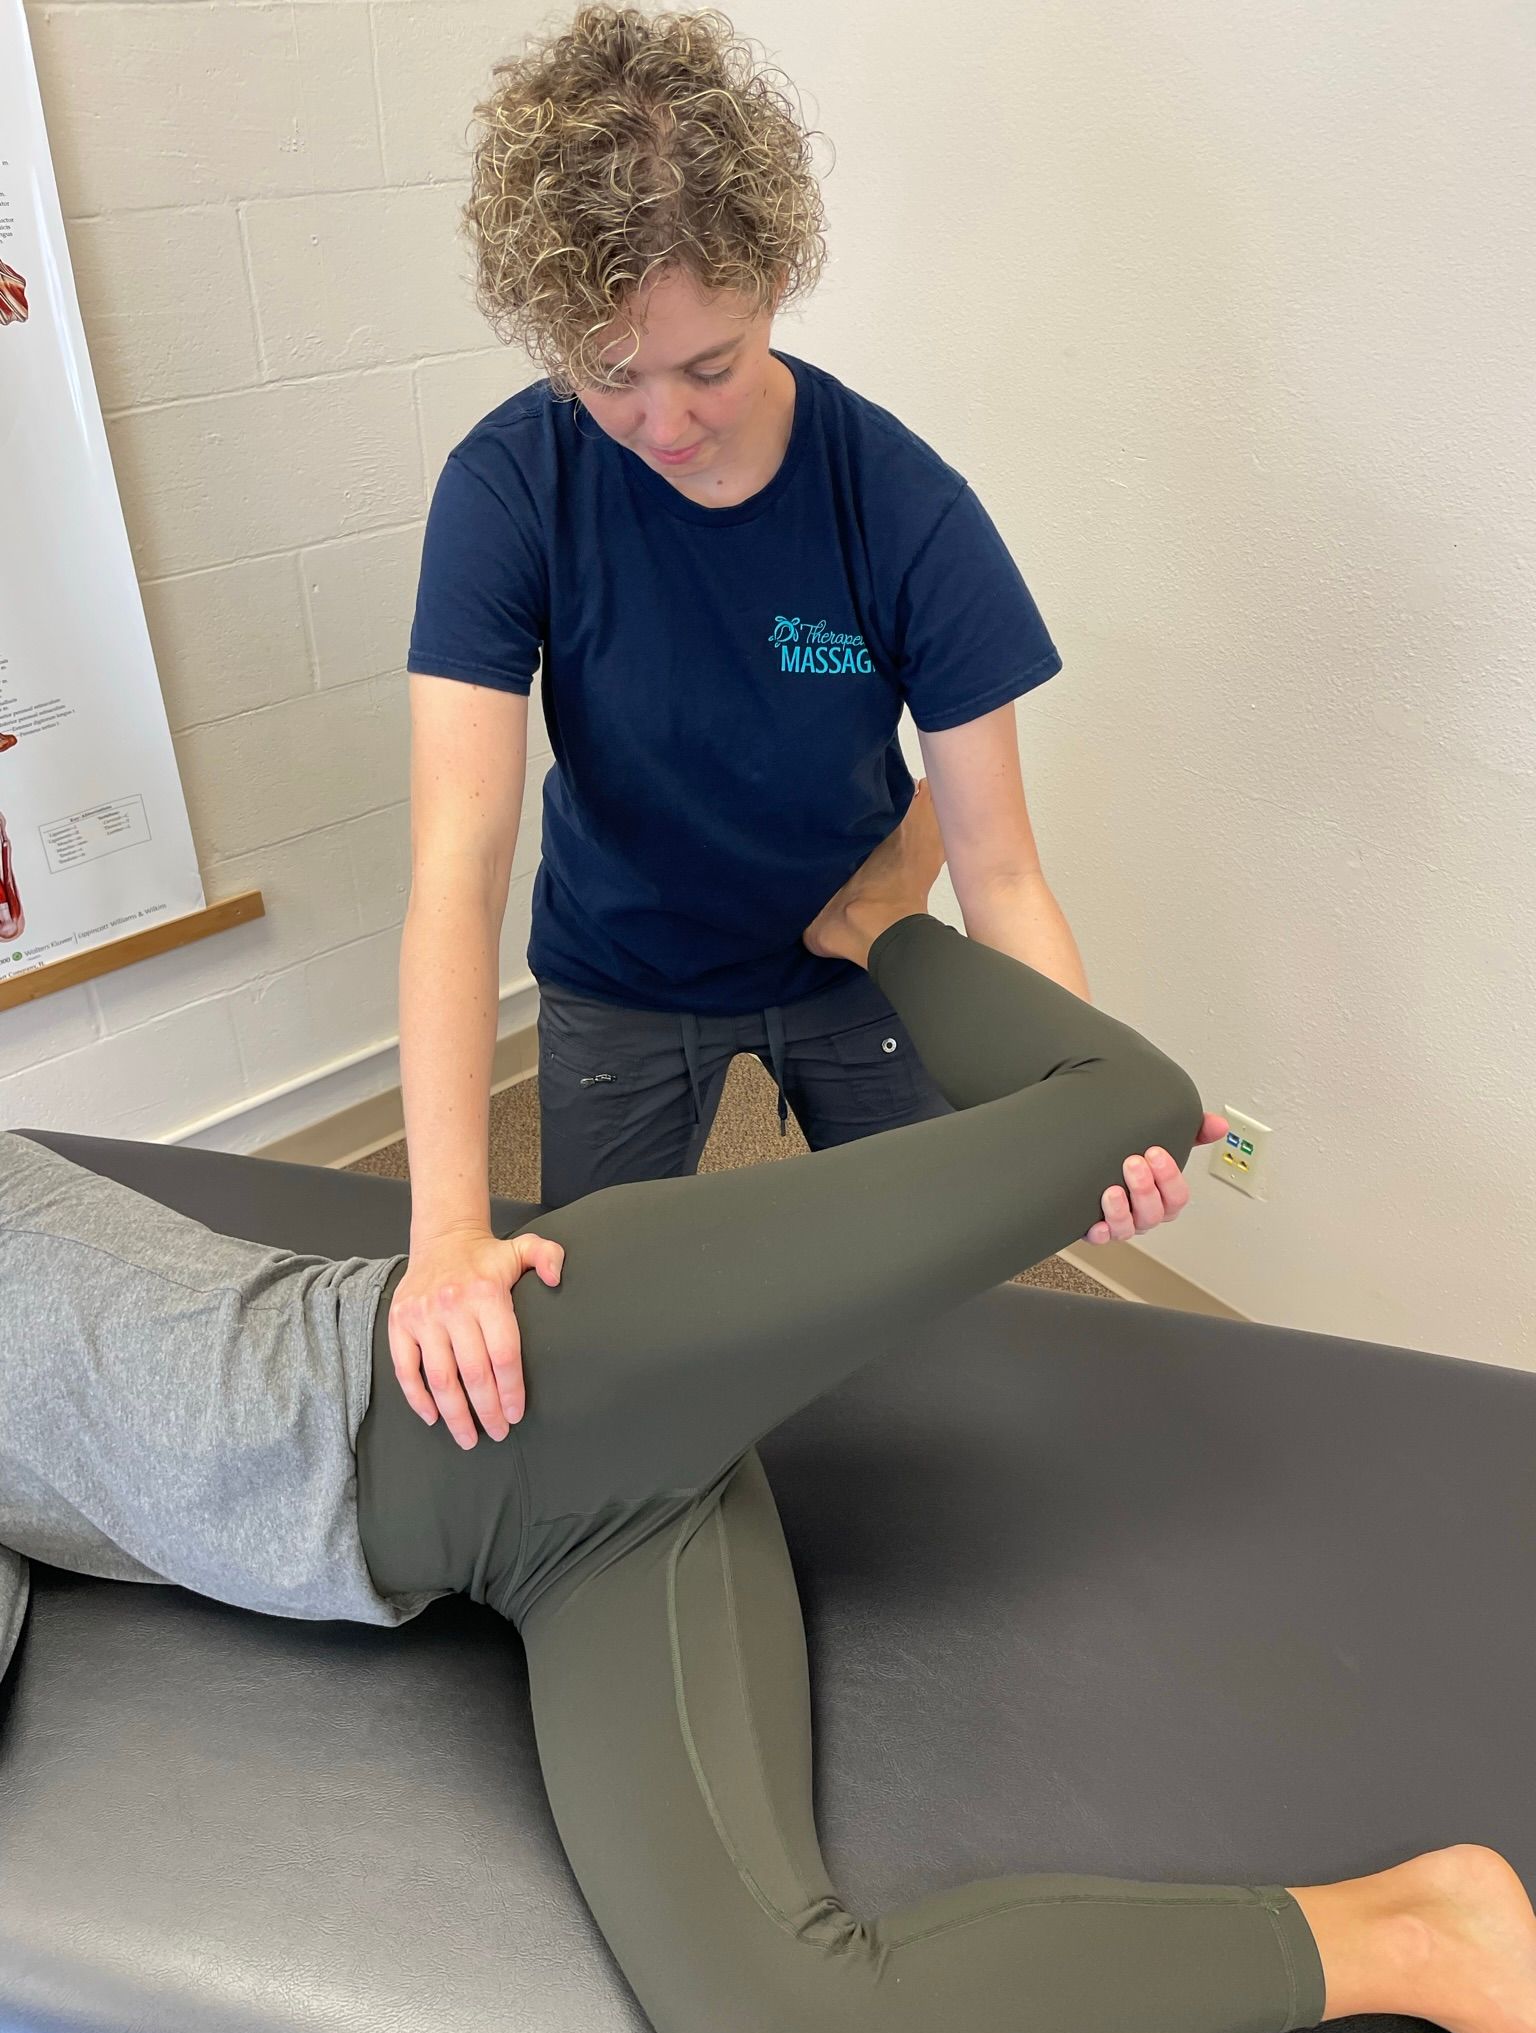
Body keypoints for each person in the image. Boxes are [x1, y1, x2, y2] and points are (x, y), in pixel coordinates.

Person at [3, 798, 1533, 2033]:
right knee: (767, 2018)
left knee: (1125, 1110)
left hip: (543, 1358)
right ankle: (1415, 1929)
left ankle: (867, 921)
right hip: (521, 1549)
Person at [391, 4, 1232, 1450]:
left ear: (777, 278)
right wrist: (443, 1229)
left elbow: (1004, 871)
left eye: (706, 366)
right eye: (611, 375)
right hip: (620, 966)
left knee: (930, 1307)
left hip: (851, 951)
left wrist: (1093, 1111)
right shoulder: (509, 488)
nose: (662, 423)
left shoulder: (901, 506)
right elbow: (455, 862)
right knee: (587, 1321)